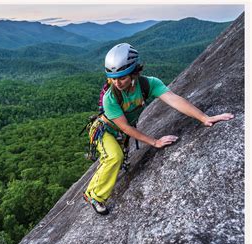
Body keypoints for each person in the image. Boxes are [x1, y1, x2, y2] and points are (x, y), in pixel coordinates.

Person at [83, 43, 234, 215]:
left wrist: (204, 118)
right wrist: (154, 142)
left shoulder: (149, 84)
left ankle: (94, 188)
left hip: (118, 132)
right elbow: (125, 127)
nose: (117, 83)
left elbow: (174, 99)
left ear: (133, 72)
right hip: (104, 130)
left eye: (122, 78)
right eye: (113, 78)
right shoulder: (110, 97)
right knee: (114, 157)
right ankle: (95, 196)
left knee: (114, 160)